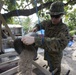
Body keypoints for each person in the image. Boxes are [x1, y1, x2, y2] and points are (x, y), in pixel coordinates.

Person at [21, 1, 70, 75]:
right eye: (51, 16)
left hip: (55, 57)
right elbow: (40, 24)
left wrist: (36, 40)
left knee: (55, 71)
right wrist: (36, 27)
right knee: (49, 68)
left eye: (56, 17)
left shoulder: (64, 28)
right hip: (47, 53)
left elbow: (60, 44)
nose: (53, 19)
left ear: (61, 15)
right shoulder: (48, 23)